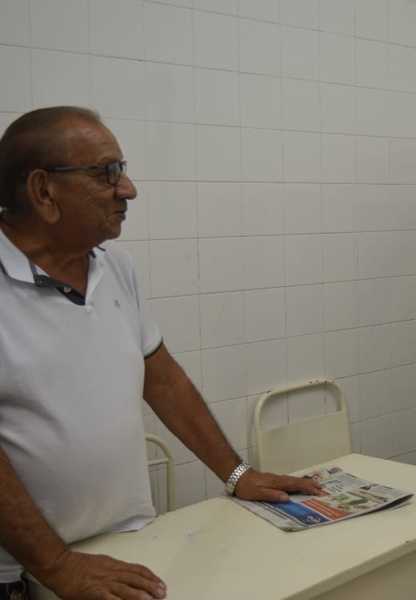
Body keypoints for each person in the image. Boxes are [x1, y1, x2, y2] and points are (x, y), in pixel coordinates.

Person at [0, 107, 323, 600]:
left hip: (125, 542)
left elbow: (163, 380)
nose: (127, 189)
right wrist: (58, 566)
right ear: (43, 190)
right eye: (106, 173)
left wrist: (237, 475)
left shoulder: (115, 267)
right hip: (23, 574)